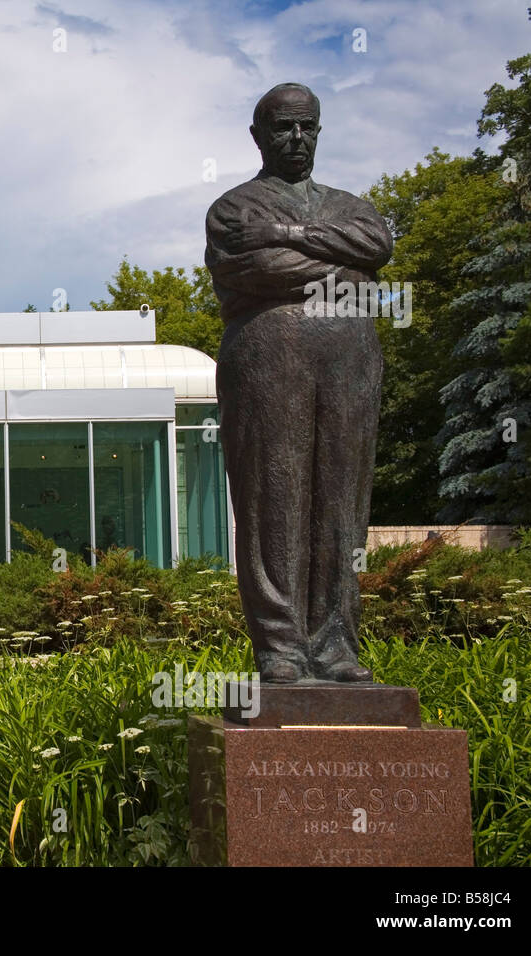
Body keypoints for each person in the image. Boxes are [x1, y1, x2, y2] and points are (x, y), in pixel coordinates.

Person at [204, 83, 393, 683]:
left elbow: (376, 247)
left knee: (341, 503)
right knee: (273, 502)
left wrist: (288, 239)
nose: (297, 138)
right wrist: (341, 267)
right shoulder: (234, 208)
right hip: (267, 359)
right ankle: (281, 647)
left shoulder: (349, 204)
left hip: (350, 362)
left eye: (307, 127)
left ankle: (336, 644)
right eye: (284, 128)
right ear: (259, 135)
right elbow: (252, 267)